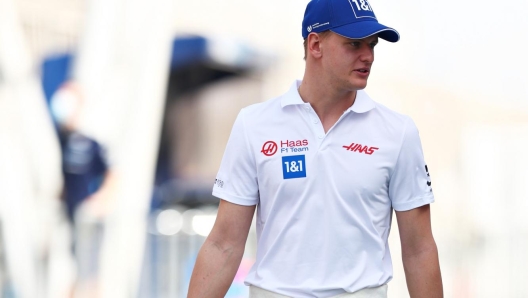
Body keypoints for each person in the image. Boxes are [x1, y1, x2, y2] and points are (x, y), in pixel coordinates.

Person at [188, 0, 443, 297]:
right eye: (355, 44)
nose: (368, 56)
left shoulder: (398, 132)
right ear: (315, 44)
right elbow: (224, 244)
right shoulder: (254, 124)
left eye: (372, 44)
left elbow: (419, 249)